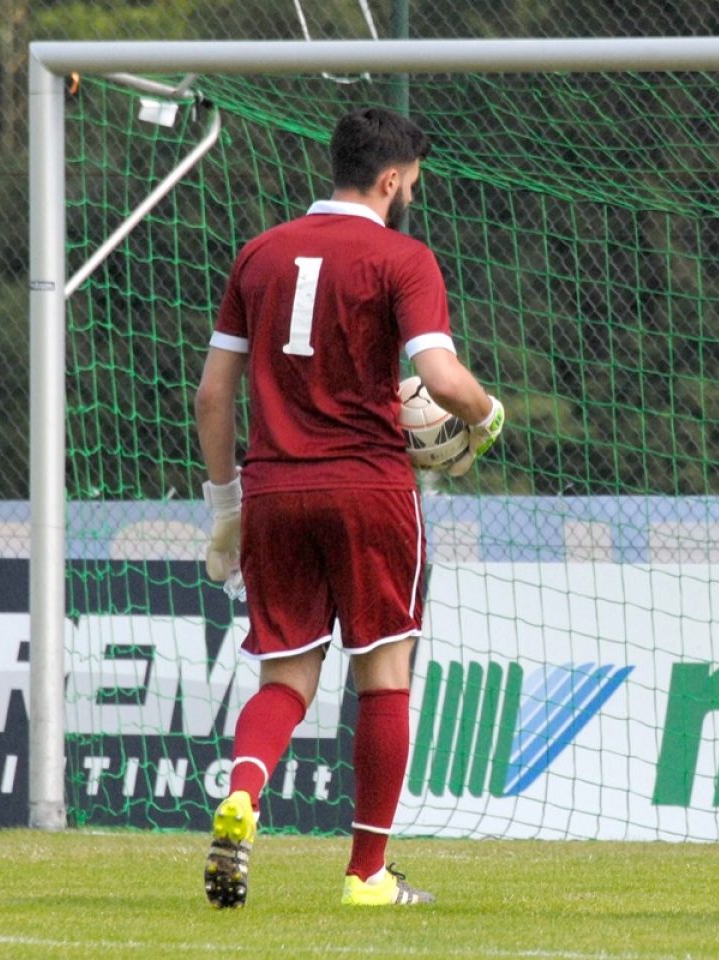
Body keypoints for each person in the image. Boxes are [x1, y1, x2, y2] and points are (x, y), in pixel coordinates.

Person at [195, 106, 503, 909]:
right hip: (367, 489)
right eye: (414, 185)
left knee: (285, 677)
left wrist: (226, 509)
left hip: (273, 490)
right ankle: (367, 874)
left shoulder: (258, 254)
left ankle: (243, 796)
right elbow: (437, 377)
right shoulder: (402, 257)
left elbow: (211, 396)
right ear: (393, 179)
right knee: (384, 674)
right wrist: (486, 413)